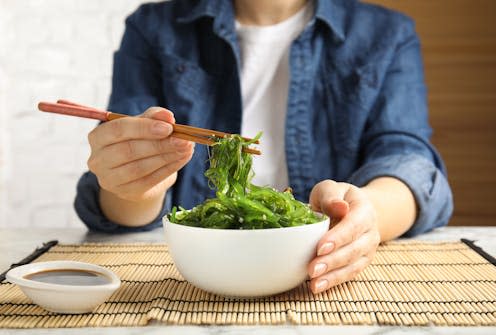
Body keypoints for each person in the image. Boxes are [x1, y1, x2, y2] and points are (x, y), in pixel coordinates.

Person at [75, 0, 453, 294]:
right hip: (193, 271)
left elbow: (409, 160)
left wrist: (365, 212)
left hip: (317, 272)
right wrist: (134, 182)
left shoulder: (386, 32)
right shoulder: (153, 28)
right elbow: (119, 205)